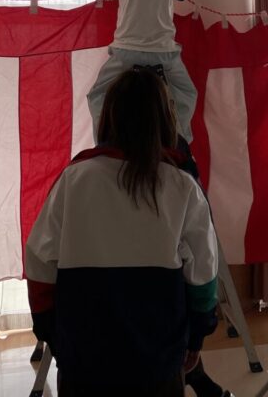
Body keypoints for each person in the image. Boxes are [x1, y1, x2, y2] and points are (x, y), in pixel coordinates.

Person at [25, 68, 220, 396]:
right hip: (157, 362)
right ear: (165, 120)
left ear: (108, 117)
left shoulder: (73, 180)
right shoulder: (182, 186)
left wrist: (50, 331)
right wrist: (196, 336)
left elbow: (39, 263)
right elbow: (203, 275)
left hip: (83, 361)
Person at [87, 0, 198, 144]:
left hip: (125, 51)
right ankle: (179, 144)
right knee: (186, 94)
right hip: (163, 53)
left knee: (97, 95)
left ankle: (104, 142)